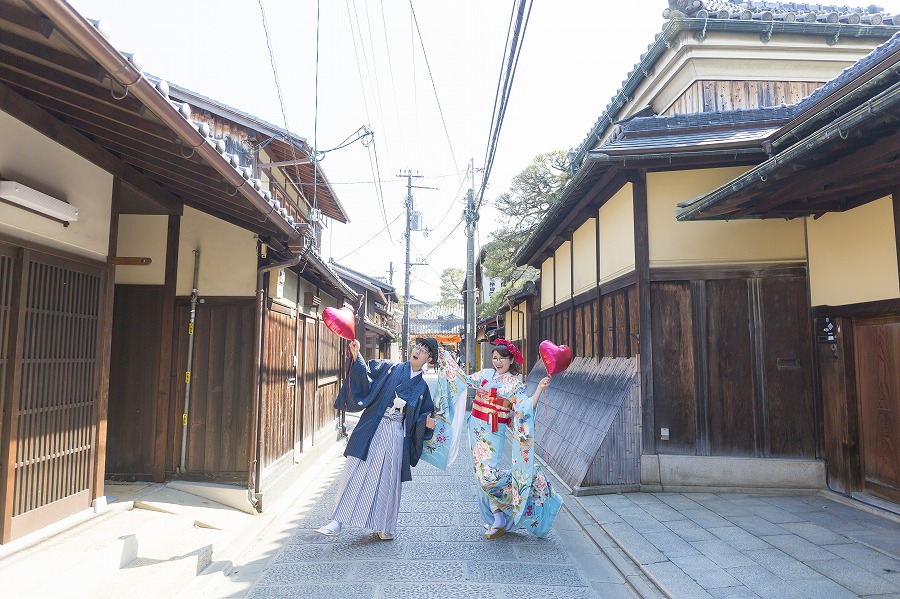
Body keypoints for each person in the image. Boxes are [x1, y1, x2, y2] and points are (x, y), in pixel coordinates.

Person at [437, 339, 563, 539]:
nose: (497, 362)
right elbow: (464, 380)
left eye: (502, 358)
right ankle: (498, 517)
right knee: (481, 478)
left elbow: (524, 408)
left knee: (489, 477)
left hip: (494, 433)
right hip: (476, 430)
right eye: (495, 358)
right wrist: (448, 360)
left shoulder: (515, 384)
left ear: (511, 360)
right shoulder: (486, 375)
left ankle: (531, 479)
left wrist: (539, 389)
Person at [316, 337, 437, 540]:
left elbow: (424, 415)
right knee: (354, 470)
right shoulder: (391, 367)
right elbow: (367, 377)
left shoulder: (422, 388)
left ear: (429, 359)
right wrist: (357, 357)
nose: (418, 350)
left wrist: (426, 424)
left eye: (424, 350)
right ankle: (337, 521)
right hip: (374, 426)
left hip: (397, 434)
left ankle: (385, 525)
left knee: (388, 480)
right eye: (417, 346)